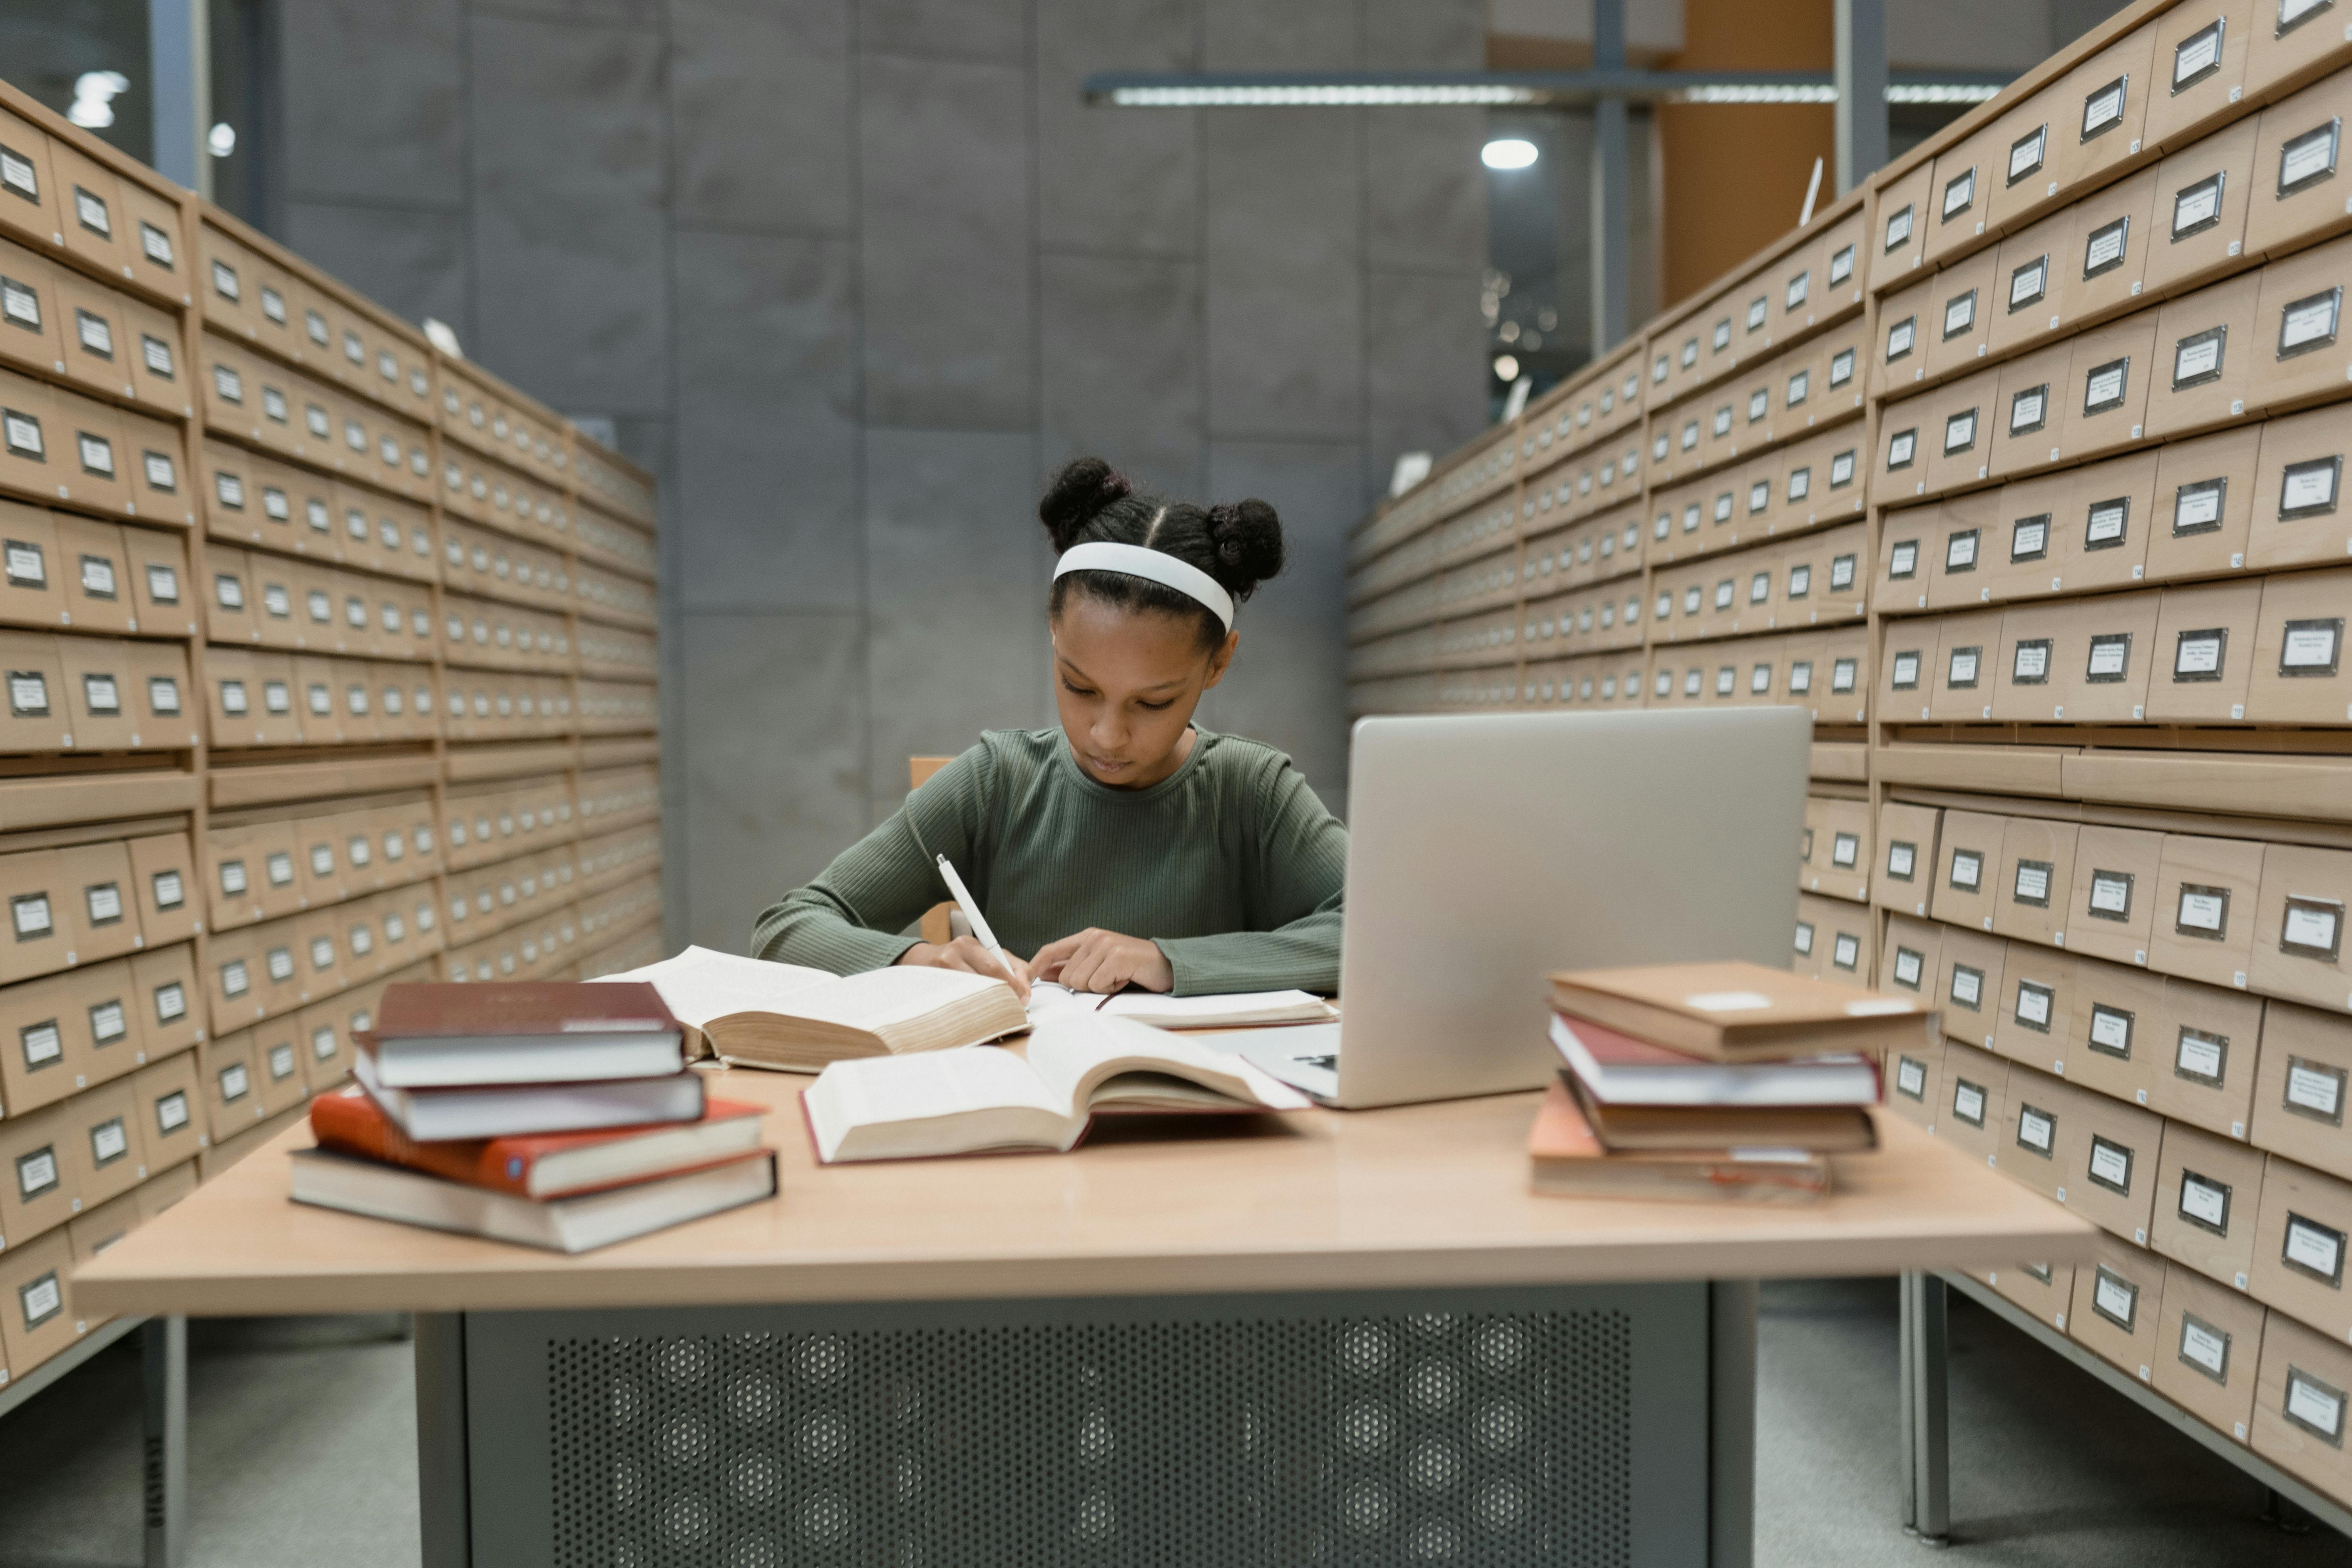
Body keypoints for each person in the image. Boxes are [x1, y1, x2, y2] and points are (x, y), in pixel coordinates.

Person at [750, 457, 1346, 998]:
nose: (1106, 736)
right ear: (1053, 636)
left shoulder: (1253, 791)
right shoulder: (995, 783)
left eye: (1153, 703)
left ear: (1218, 662)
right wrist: (917, 960)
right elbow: (788, 928)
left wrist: (1169, 962)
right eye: (1080, 688)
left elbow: (1387, 930)